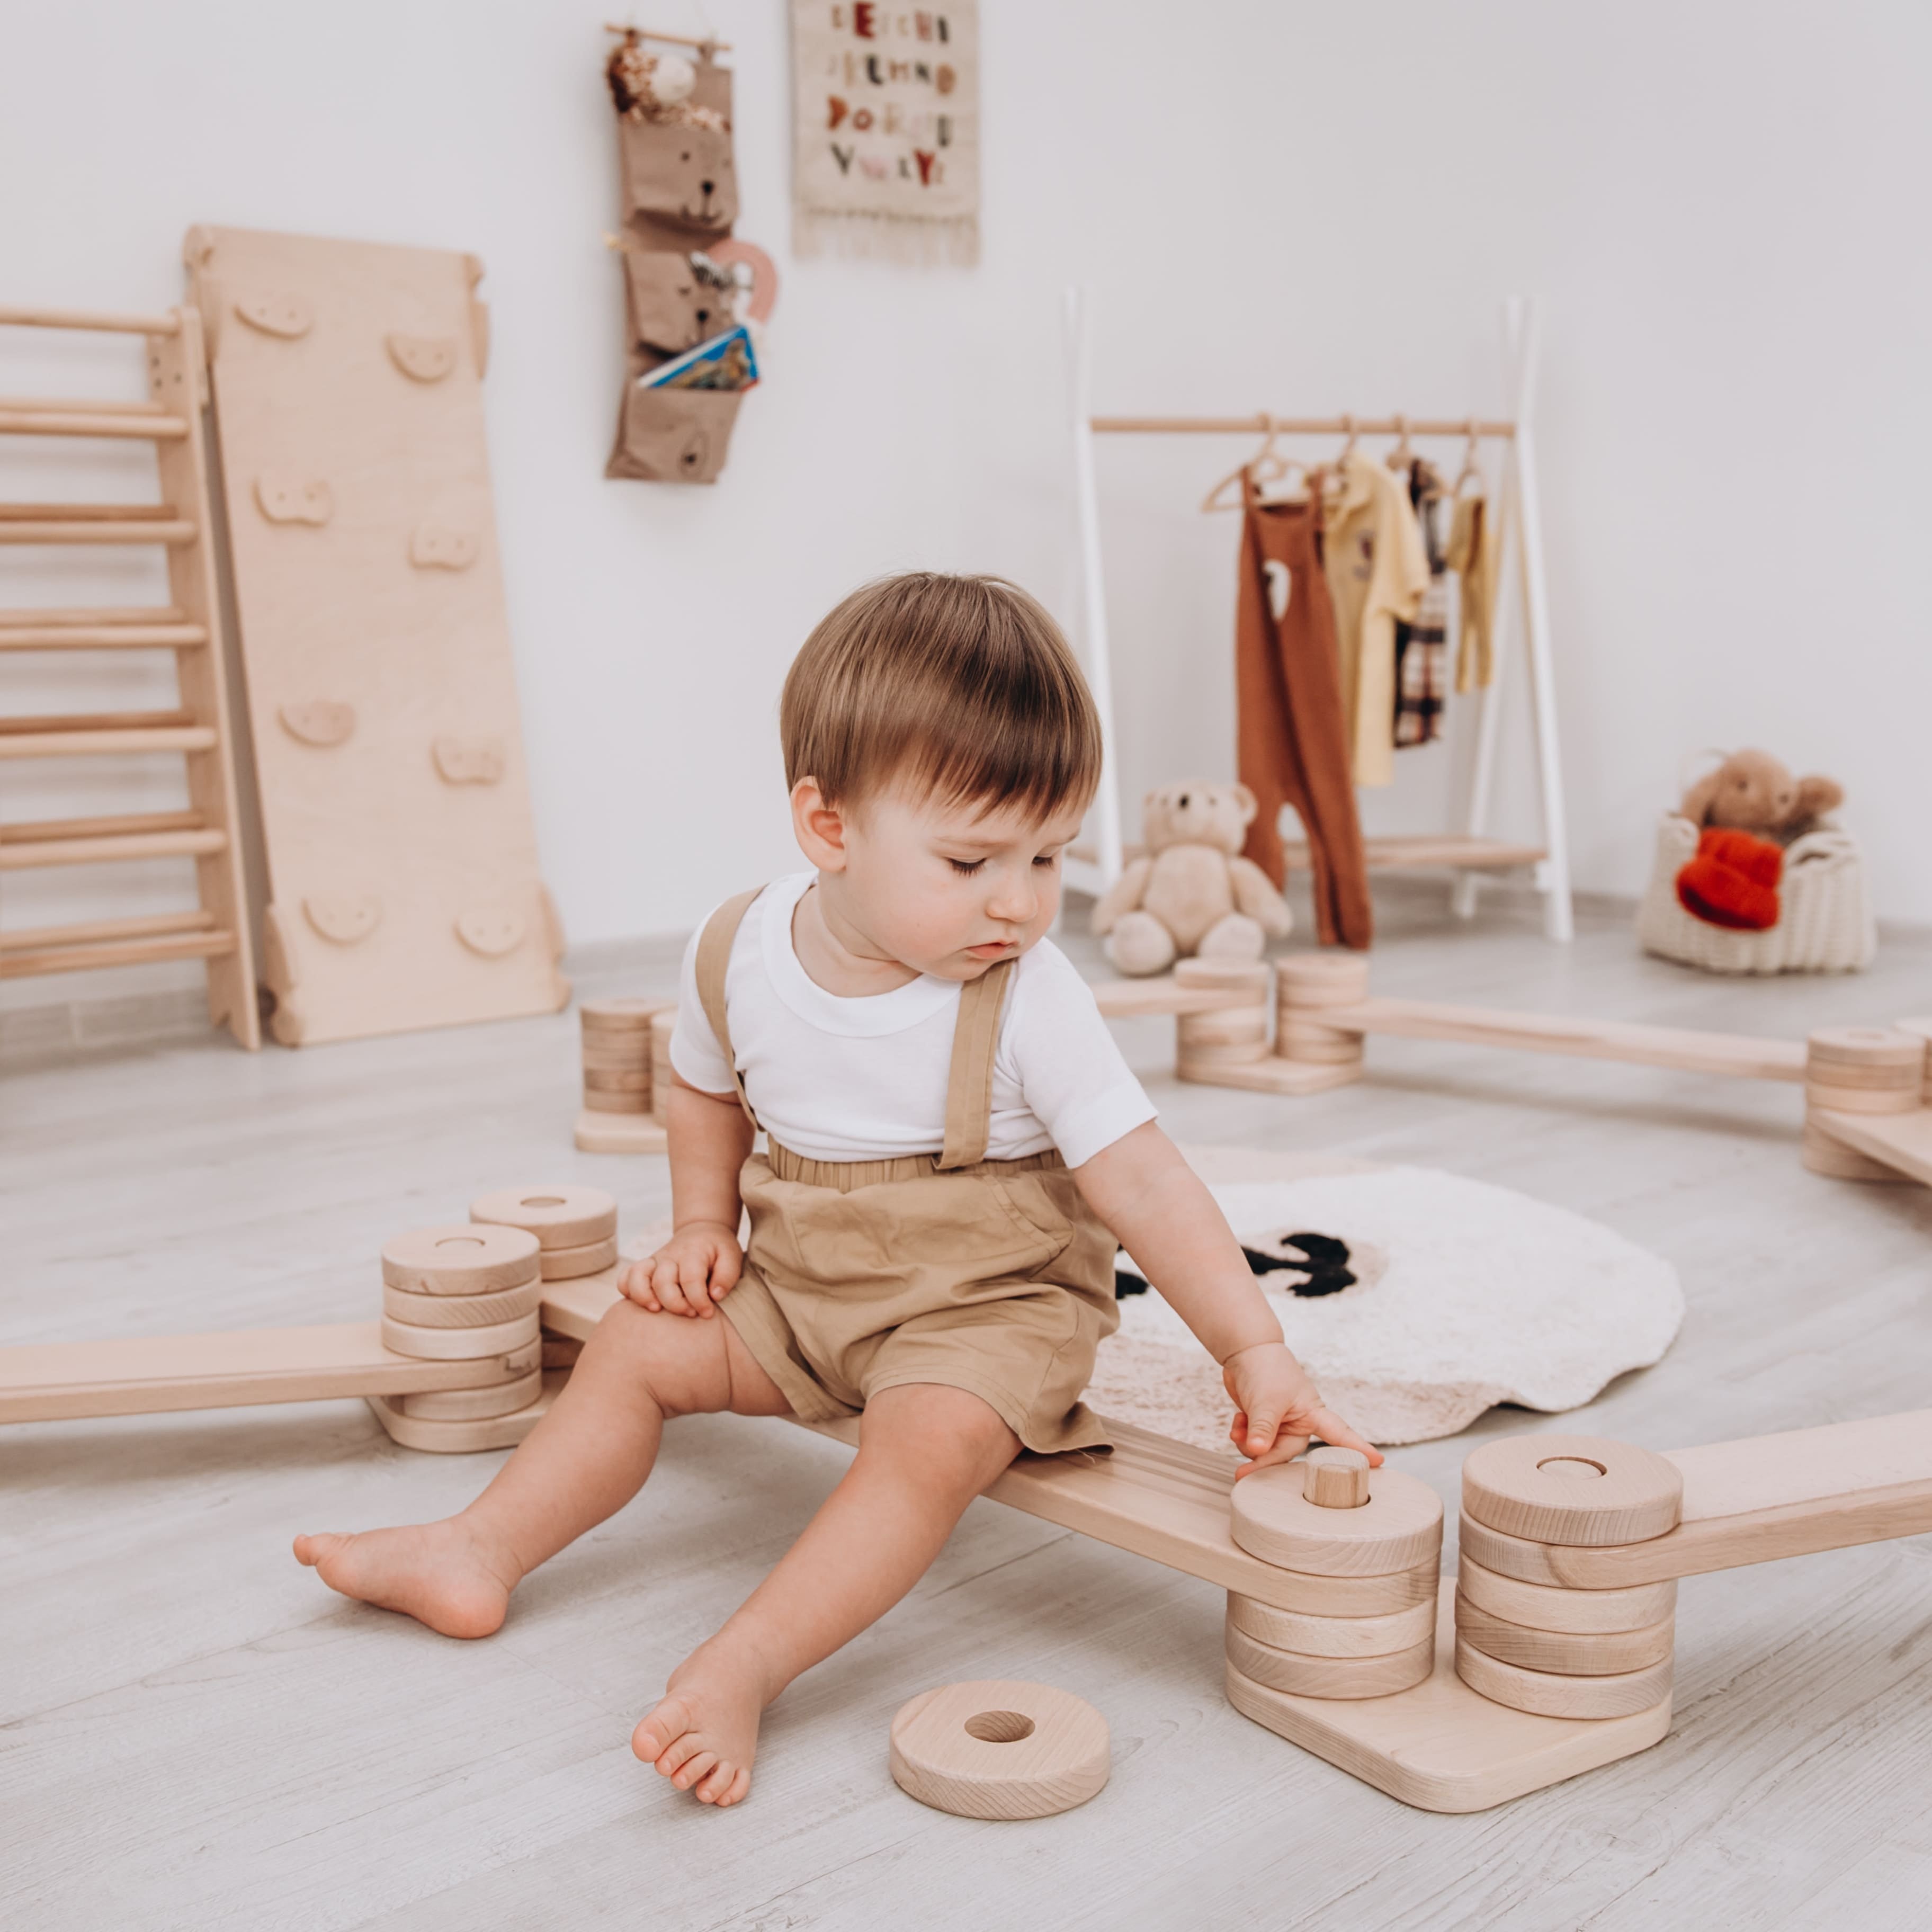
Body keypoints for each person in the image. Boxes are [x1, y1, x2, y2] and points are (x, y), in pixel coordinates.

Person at [294, 572, 1381, 1810]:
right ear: (829, 828)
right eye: (973, 858)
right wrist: (704, 1229)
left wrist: (1255, 1346)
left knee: (927, 1447)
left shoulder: (1031, 992)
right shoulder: (739, 948)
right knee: (644, 1344)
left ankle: (747, 1663)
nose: (1021, 901)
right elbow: (703, 1090)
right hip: (805, 1287)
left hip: (991, 1307)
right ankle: (477, 1547)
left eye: (1050, 854)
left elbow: (1142, 1177)